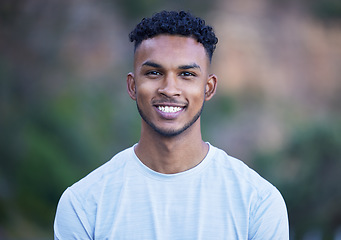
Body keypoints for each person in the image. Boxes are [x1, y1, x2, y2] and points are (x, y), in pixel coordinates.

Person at [54, 10, 289, 239]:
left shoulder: (257, 202)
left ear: (208, 88)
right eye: (154, 73)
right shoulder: (83, 204)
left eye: (186, 74)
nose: (169, 89)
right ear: (132, 86)